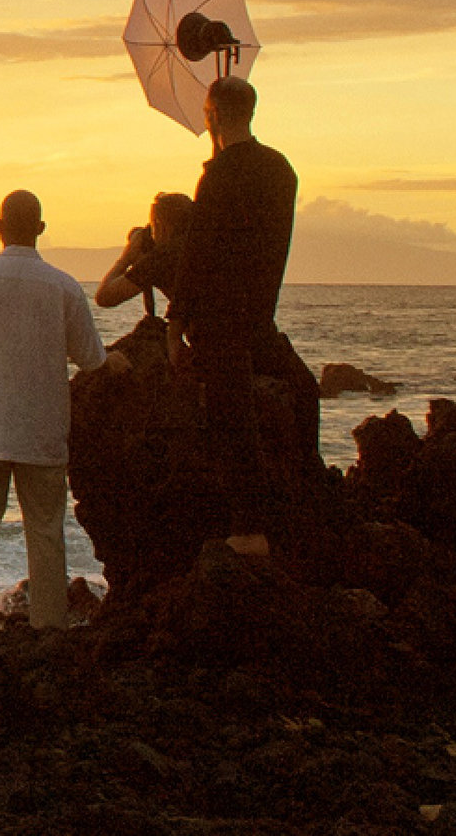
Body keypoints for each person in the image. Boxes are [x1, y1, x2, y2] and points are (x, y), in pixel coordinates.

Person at [0, 190, 116, 637]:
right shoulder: (62, 286)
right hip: (42, 428)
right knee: (46, 532)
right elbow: (92, 358)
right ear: (40, 229)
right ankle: (48, 625)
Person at [164, 76, 317, 557]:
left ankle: (249, 529)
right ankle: (308, 498)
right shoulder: (280, 169)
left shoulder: (221, 173)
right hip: (259, 313)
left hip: (220, 316)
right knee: (304, 390)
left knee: (233, 420)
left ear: (212, 114)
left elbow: (200, 250)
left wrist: (175, 321)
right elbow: (270, 243)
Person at [94, 192, 194, 314]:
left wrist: (127, 257)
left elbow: (105, 297)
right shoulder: (201, 246)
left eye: (151, 226)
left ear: (160, 225)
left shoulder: (164, 257)